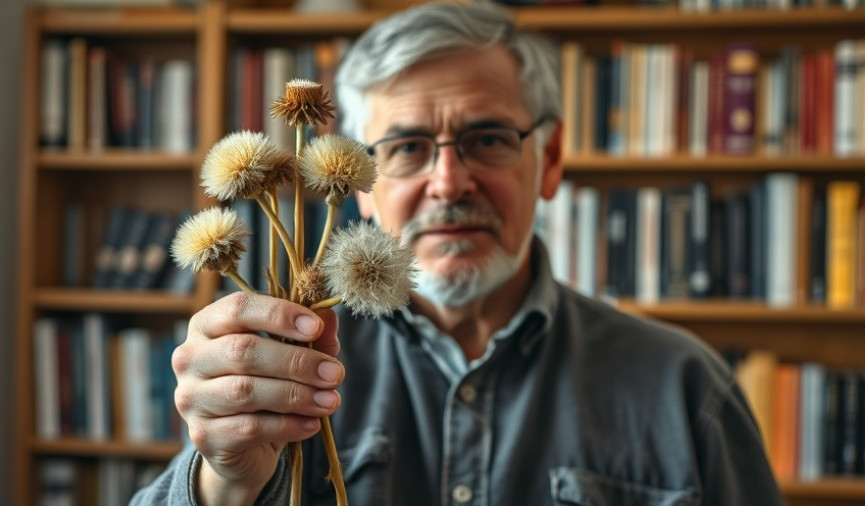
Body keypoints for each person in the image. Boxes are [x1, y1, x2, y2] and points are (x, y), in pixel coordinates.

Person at [133, 1, 783, 504]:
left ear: (549, 160)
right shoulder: (274, 375)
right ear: (356, 180)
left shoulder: (686, 390)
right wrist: (224, 483)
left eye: (489, 138)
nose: (448, 182)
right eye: (407, 147)